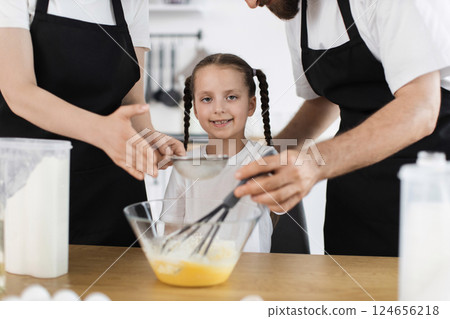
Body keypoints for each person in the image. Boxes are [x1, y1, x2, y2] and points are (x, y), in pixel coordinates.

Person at [237, 0, 450, 256]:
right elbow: (324, 102)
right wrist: (261, 159)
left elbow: (421, 108)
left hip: (429, 195)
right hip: (353, 199)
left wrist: (314, 163)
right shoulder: (297, 11)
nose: (250, 3)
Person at [0, 0, 185, 246]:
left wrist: (149, 137)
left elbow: (131, 100)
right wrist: (102, 131)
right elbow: (18, 91)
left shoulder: (134, 2)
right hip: (30, 187)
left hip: (112, 195)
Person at [164, 53, 277, 252]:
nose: (218, 108)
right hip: (197, 271)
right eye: (207, 99)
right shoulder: (185, 165)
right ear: (196, 110)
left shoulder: (265, 158)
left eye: (231, 97)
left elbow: (280, 206)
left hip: (253, 273)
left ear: (251, 105)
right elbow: (171, 230)